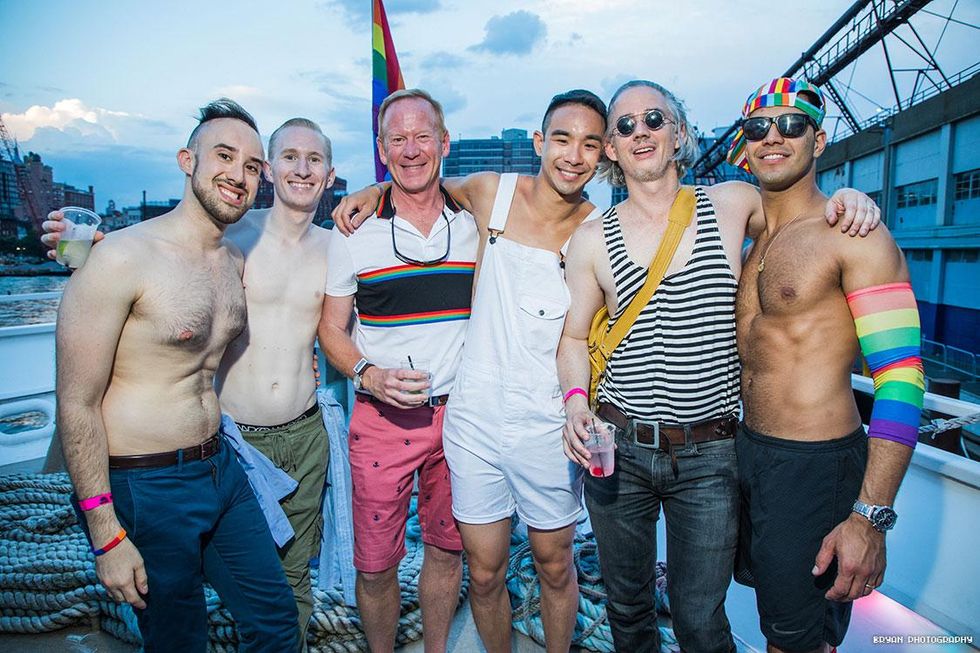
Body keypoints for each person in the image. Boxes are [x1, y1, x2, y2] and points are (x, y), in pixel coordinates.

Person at [556, 80, 881, 653]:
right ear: (610, 147)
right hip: (619, 446)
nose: (641, 133)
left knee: (700, 616)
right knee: (627, 606)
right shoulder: (590, 240)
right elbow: (575, 337)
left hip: (711, 453)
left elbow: (797, 217)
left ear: (679, 133)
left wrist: (849, 199)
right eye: (625, 126)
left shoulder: (732, 203)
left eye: (654, 120)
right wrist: (575, 405)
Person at [46, 118, 337, 649]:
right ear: (187, 161)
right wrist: (104, 532)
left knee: (276, 621)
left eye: (249, 166)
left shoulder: (230, 256)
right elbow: (76, 404)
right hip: (149, 481)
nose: (238, 175)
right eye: (224, 157)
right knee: (179, 637)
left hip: (220, 466)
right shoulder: (121, 257)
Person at [334, 89, 608, 653]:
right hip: (474, 419)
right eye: (561, 138)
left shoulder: (599, 230)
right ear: (539, 141)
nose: (573, 155)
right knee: (482, 573)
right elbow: (419, 183)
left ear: (604, 155)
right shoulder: (491, 194)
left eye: (589, 144)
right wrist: (372, 189)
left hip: (548, 423)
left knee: (556, 567)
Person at [729, 77, 923, 653]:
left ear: (819, 139)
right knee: (775, 623)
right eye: (760, 127)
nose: (774, 138)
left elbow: (903, 379)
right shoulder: (751, 236)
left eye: (792, 125)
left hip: (813, 468)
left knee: (801, 641)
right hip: (749, 454)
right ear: (745, 144)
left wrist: (869, 517)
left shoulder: (854, 235)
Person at [319, 88, 469, 653]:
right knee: (377, 563)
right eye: (397, 139)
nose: (411, 150)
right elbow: (330, 328)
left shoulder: (475, 223)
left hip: (460, 419)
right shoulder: (353, 232)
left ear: (444, 141)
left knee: (448, 549)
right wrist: (368, 375)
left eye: (422, 136)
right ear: (382, 151)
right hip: (381, 422)